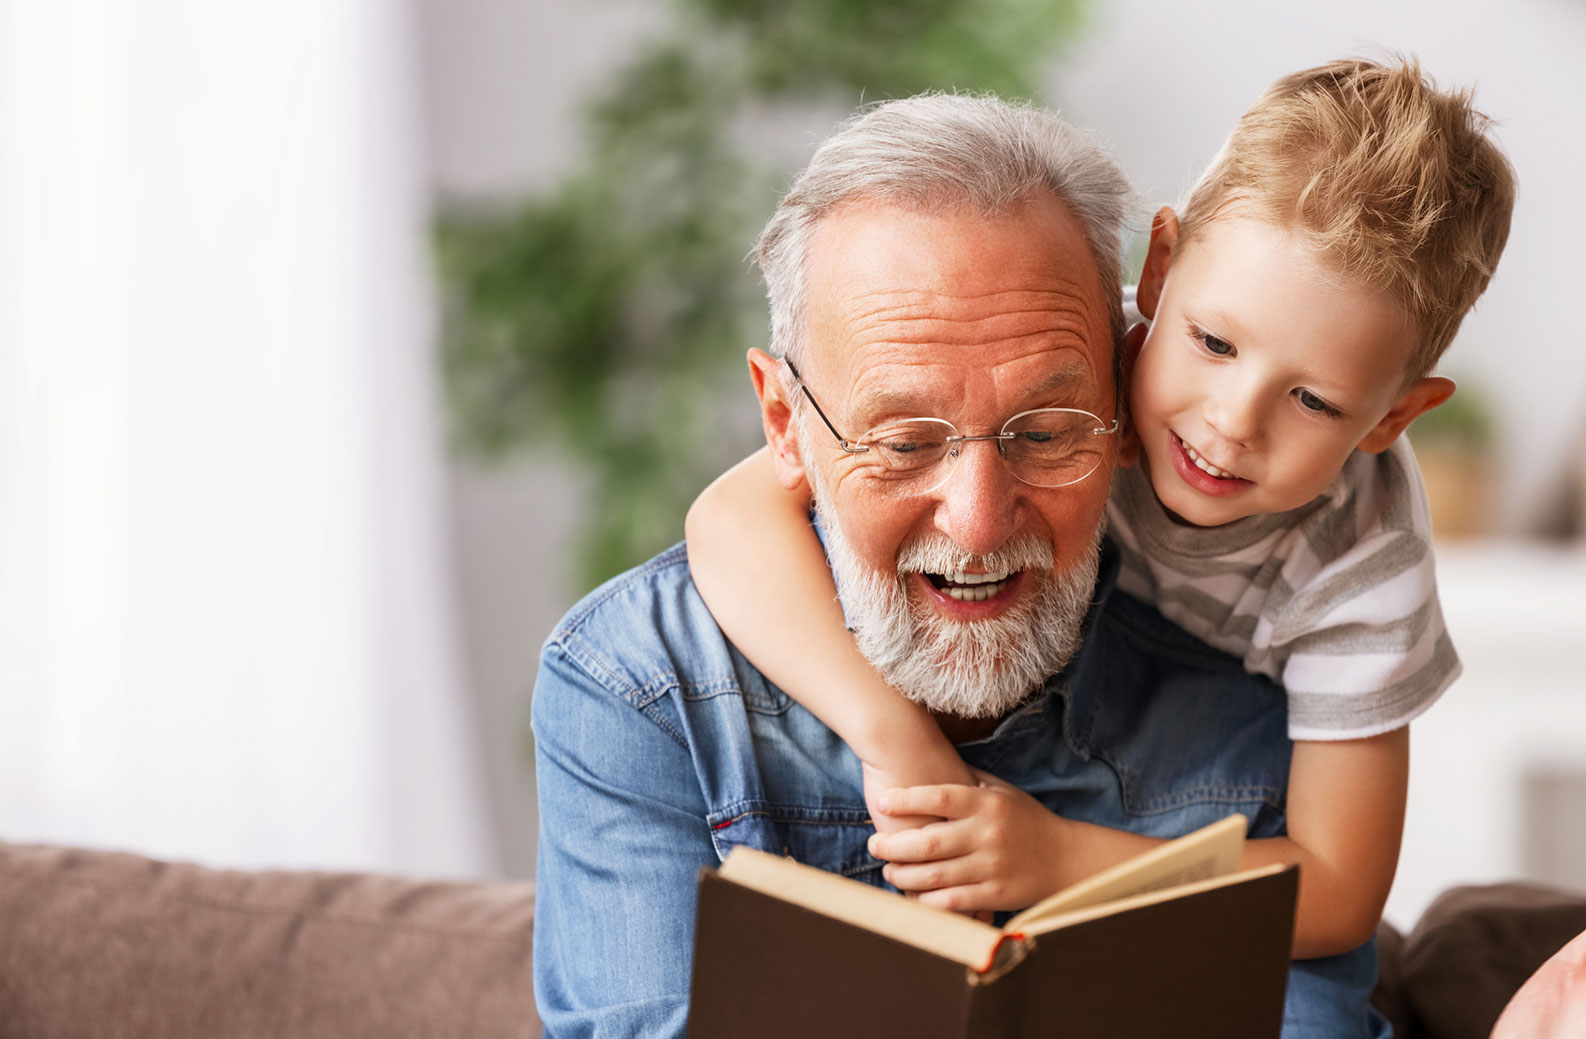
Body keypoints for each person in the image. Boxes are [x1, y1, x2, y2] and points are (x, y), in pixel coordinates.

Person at [534, 93, 1392, 1039]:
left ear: (1120, 398)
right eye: (904, 441)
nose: (978, 524)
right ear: (786, 425)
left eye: (1047, 431)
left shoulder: (1265, 682)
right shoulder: (637, 685)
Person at [686, 57, 1515, 960]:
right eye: (1212, 341)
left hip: (1172, 784)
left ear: (1394, 415)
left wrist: (1063, 860)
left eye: (1312, 400)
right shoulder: (1057, 372)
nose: (1229, 423)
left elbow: (1337, 891)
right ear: (1158, 273)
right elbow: (729, 520)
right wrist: (899, 742)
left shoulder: (1362, 563)